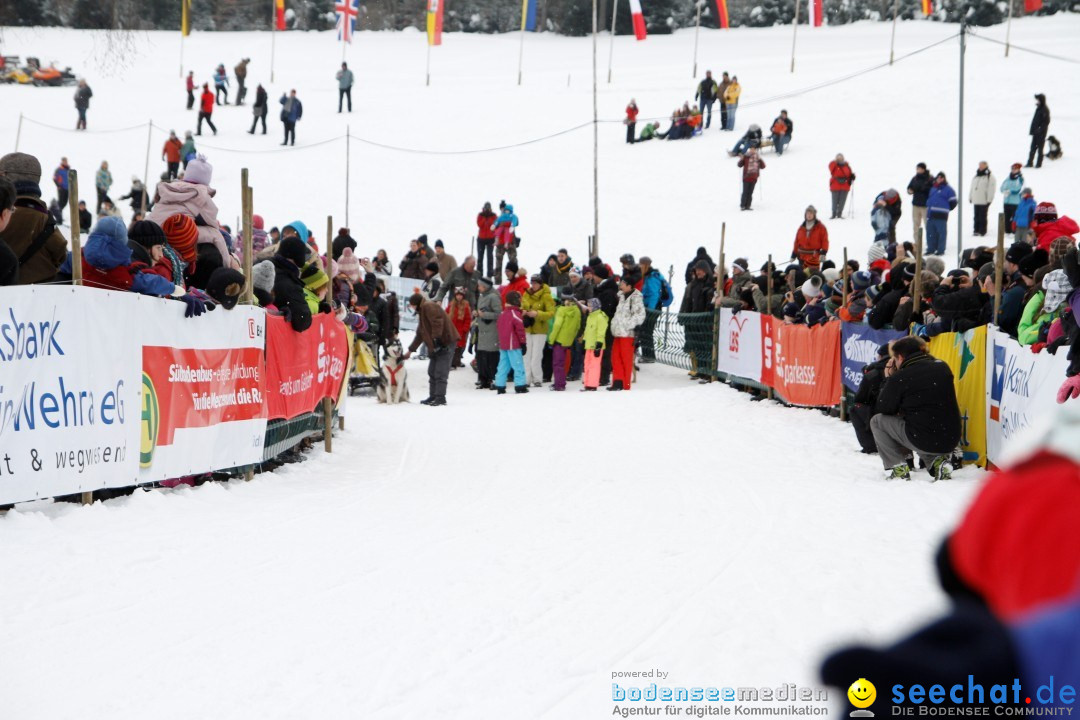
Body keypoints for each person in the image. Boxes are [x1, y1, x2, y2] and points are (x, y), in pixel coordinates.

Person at [870, 336, 961, 481]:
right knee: (921, 422)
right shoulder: (942, 366)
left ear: (900, 357)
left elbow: (883, 408)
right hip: (951, 437)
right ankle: (938, 464)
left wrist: (888, 379)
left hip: (923, 436)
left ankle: (897, 467)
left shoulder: (901, 377)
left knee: (877, 421)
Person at [0, 153, 69, 284]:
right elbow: (61, 255)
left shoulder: (4, 214)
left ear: (5, 176)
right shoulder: (45, 219)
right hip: (35, 298)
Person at [403, 293, 458, 406]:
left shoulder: (428, 306)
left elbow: (437, 322)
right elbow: (420, 334)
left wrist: (437, 340)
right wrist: (410, 350)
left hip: (445, 342)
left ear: (416, 304)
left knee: (440, 371)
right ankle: (433, 395)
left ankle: (440, 397)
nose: (412, 308)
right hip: (435, 344)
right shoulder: (422, 311)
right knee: (432, 371)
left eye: (412, 305)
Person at [850, 344, 890, 454]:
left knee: (855, 409)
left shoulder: (873, 374)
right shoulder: (904, 367)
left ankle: (870, 447)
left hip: (883, 413)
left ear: (881, 357)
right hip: (903, 412)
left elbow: (860, 398)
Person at [609, 270, 645, 391]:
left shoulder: (636, 298)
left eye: (623, 283)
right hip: (618, 332)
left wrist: (627, 325)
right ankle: (617, 382)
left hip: (628, 333)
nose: (620, 284)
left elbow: (639, 315)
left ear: (629, 286)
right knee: (615, 357)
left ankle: (625, 385)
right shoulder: (621, 296)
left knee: (626, 359)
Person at [521, 274, 555, 387]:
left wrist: (537, 314)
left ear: (540, 283)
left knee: (536, 355)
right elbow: (521, 306)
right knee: (526, 355)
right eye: (532, 283)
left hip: (540, 329)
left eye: (535, 283)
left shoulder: (546, 296)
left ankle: (537, 378)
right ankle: (526, 379)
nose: (533, 285)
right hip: (527, 327)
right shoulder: (526, 294)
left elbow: (551, 313)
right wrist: (523, 312)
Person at [495, 290, 529, 394]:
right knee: (518, 365)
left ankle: (500, 385)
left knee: (503, 365)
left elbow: (499, 327)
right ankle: (520, 385)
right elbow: (520, 330)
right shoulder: (515, 314)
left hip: (504, 344)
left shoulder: (503, 314)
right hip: (513, 344)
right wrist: (523, 343)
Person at [549, 286, 582, 391]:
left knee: (557, 363)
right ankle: (561, 381)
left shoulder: (562, 310)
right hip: (568, 340)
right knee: (563, 362)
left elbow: (557, 326)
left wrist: (551, 340)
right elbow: (577, 326)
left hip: (559, 339)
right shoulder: (576, 310)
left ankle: (559, 384)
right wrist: (571, 337)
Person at [474, 276, 501, 390]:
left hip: (491, 331)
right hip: (482, 330)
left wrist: (484, 315)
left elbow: (498, 314)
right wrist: (477, 314)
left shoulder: (494, 297)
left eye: (479, 285)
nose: (478, 287)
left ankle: (492, 379)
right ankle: (483, 379)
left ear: (485, 286)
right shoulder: (481, 297)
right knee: (481, 355)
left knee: (491, 356)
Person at [926, 172, 957, 257]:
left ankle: (940, 250)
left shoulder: (949, 189)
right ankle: (930, 249)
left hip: (941, 215)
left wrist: (945, 209)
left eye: (941, 177)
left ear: (944, 179)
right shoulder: (933, 188)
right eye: (938, 177)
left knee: (941, 233)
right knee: (930, 233)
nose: (939, 179)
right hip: (930, 214)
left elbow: (953, 202)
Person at [580, 298, 608, 391]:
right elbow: (587, 331)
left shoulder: (600, 317)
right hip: (589, 345)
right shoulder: (590, 316)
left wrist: (599, 345)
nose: (588, 307)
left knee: (594, 365)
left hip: (596, 346)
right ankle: (587, 383)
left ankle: (592, 384)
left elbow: (601, 332)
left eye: (590, 305)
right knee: (587, 364)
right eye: (588, 305)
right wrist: (584, 341)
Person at [791, 206, 829, 271]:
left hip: (814, 258)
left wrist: (823, 253)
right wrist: (794, 254)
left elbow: (825, 241)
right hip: (801, 257)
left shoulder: (821, 227)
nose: (809, 215)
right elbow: (796, 242)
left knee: (812, 276)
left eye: (811, 213)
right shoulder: (801, 228)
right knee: (802, 276)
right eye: (807, 213)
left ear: (814, 215)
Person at [906, 162, 932, 243]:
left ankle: (930, 243)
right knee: (916, 225)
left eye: (919, 169)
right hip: (915, 205)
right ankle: (917, 243)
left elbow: (931, 190)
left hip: (925, 206)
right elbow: (909, 187)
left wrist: (922, 189)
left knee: (928, 225)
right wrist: (910, 190)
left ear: (923, 169)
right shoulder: (915, 178)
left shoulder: (930, 178)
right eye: (917, 169)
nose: (918, 170)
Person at [969, 161, 996, 237]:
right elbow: (972, 187)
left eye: (982, 165)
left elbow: (991, 189)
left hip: (984, 200)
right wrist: (970, 197)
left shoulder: (989, 176)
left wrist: (989, 199)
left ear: (986, 166)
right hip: (976, 199)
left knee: (982, 216)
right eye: (979, 165)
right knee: (976, 216)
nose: (980, 167)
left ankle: (982, 230)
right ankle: (976, 229)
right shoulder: (976, 176)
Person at [447, 287, 472, 369]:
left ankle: (455, 362)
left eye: (460, 295)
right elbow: (446, 314)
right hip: (452, 329)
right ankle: (451, 362)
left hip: (461, 330)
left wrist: (465, 328)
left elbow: (468, 318)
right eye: (457, 295)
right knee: (451, 347)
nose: (459, 297)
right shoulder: (451, 304)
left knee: (458, 348)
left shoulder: (466, 305)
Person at [493, 201, 518, 279]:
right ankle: (497, 281)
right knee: (498, 264)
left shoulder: (511, 217)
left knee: (513, 262)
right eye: (502, 208)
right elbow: (494, 229)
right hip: (500, 243)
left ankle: (515, 279)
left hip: (510, 242)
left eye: (504, 208)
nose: (503, 210)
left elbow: (516, 223)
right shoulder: (499, 218)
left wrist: (506, 224)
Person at [1027, 93, 1050, 168]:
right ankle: (1030, 163)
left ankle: (1038, 164)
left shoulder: (1045, 109)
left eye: (1038, 100)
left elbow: (1046, 122)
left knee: (1040, 149)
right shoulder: (1039, 108)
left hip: (1041, 134)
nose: (1037, 101)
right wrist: (1033, 130)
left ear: (1041, 100)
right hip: (1035, 133)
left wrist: (1040, 130)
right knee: (1032, 148)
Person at [828, 154, 854, 219]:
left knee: (842, 201)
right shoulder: (833, 165)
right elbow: (830, 166)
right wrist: (835, 162)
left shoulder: (847, 166)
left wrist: (852, 176)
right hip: (835, 185)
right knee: (835, 201)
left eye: (841, 157)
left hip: (845, 186)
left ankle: (839, 213)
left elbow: (849, 174)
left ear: (843, 158)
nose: (839, 159)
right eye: (838, 158)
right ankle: (834, 214)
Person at [1000, 162, 1024, 232]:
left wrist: (1010, 191)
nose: (1013, 170)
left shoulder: (1020, 179)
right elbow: (1002, 187)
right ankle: (1007, 230)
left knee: (1014, 217)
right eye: (1012, 169)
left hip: (1015, 202)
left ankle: (1014, 231)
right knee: (1006, 216)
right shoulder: (1008, 178)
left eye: (1015, 169)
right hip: (1007, 201)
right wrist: (1004, 191)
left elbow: (1019, 189)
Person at [476, 201, 496, 278]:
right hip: (481, 239)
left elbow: (494, 225)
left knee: (490, 257)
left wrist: (489, 217)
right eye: (486, 208)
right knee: (480, 257)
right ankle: (479, 275)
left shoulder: (493, 215)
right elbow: (479, 224)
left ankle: (489, 275)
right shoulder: (480, 215)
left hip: (490, 239)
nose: (487, 209)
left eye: (488, 208)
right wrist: (485, 217)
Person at [52, 157, 70, 223]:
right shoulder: (58, 169)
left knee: (65, 203)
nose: (65, 162)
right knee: (61, 203)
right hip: (61, 188)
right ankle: (59, 218)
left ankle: (58, 216)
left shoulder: (68, 169)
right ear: (62, 161)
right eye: (64, 161)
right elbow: (54, 178)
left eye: (66, 161)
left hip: (67, 188)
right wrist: (58, 185)